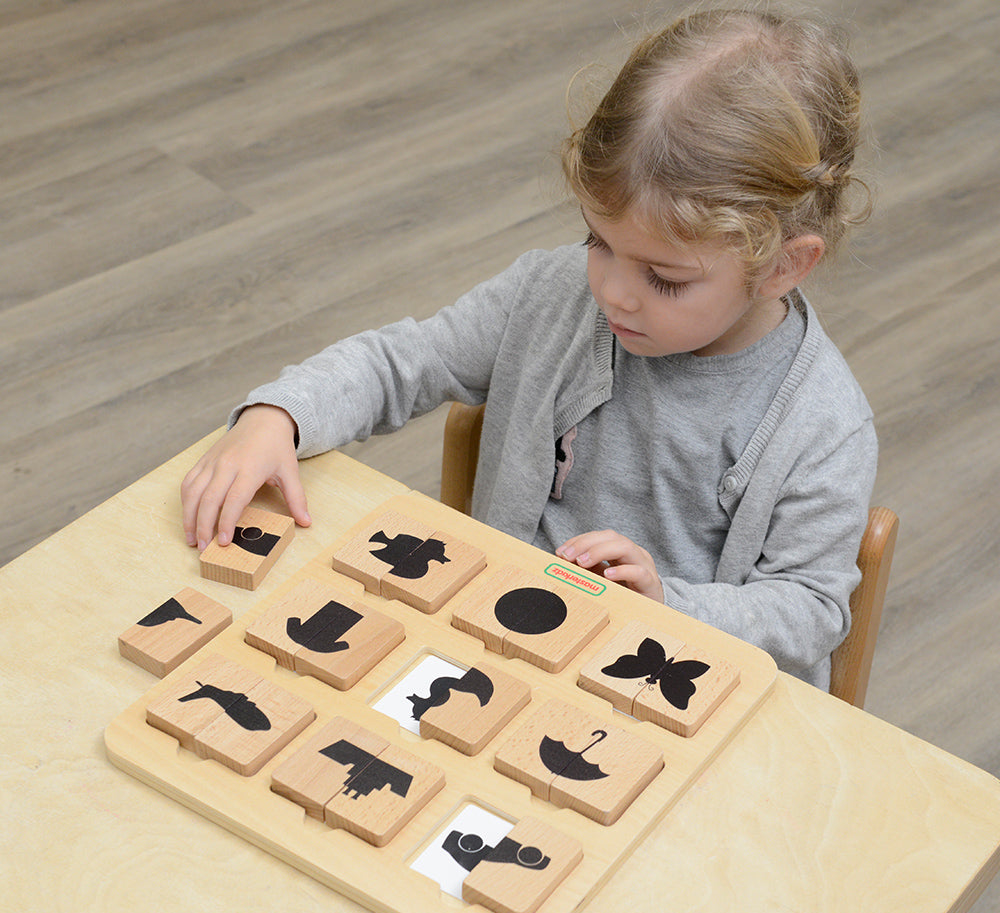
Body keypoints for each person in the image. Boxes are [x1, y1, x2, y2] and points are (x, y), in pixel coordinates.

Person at [181, 4, 877, 689]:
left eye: (664, 279)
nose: (613, 293)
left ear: (784, 265)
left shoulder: (822, 423)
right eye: (597, 242)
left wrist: (669, 605)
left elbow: (809, 610)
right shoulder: (550, 293)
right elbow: (405, 362)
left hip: (659, 693)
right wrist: (279, 416)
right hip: (492, 655)